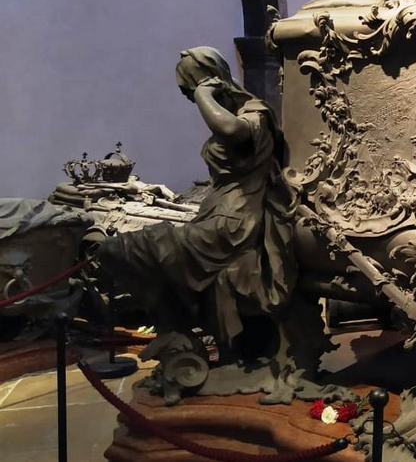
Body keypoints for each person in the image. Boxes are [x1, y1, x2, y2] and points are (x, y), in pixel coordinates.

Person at [98, 47, 297, 359]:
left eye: (190, 89)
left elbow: (229, 129)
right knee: (121, 252)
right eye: (188, 93)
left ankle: (175, 329)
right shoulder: (235, 114)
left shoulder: (255, 113)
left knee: (121, 249)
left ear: (211, 79)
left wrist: (205, 94)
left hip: (234, 225)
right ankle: (175, 330)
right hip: (215, 215)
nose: (191, 98)